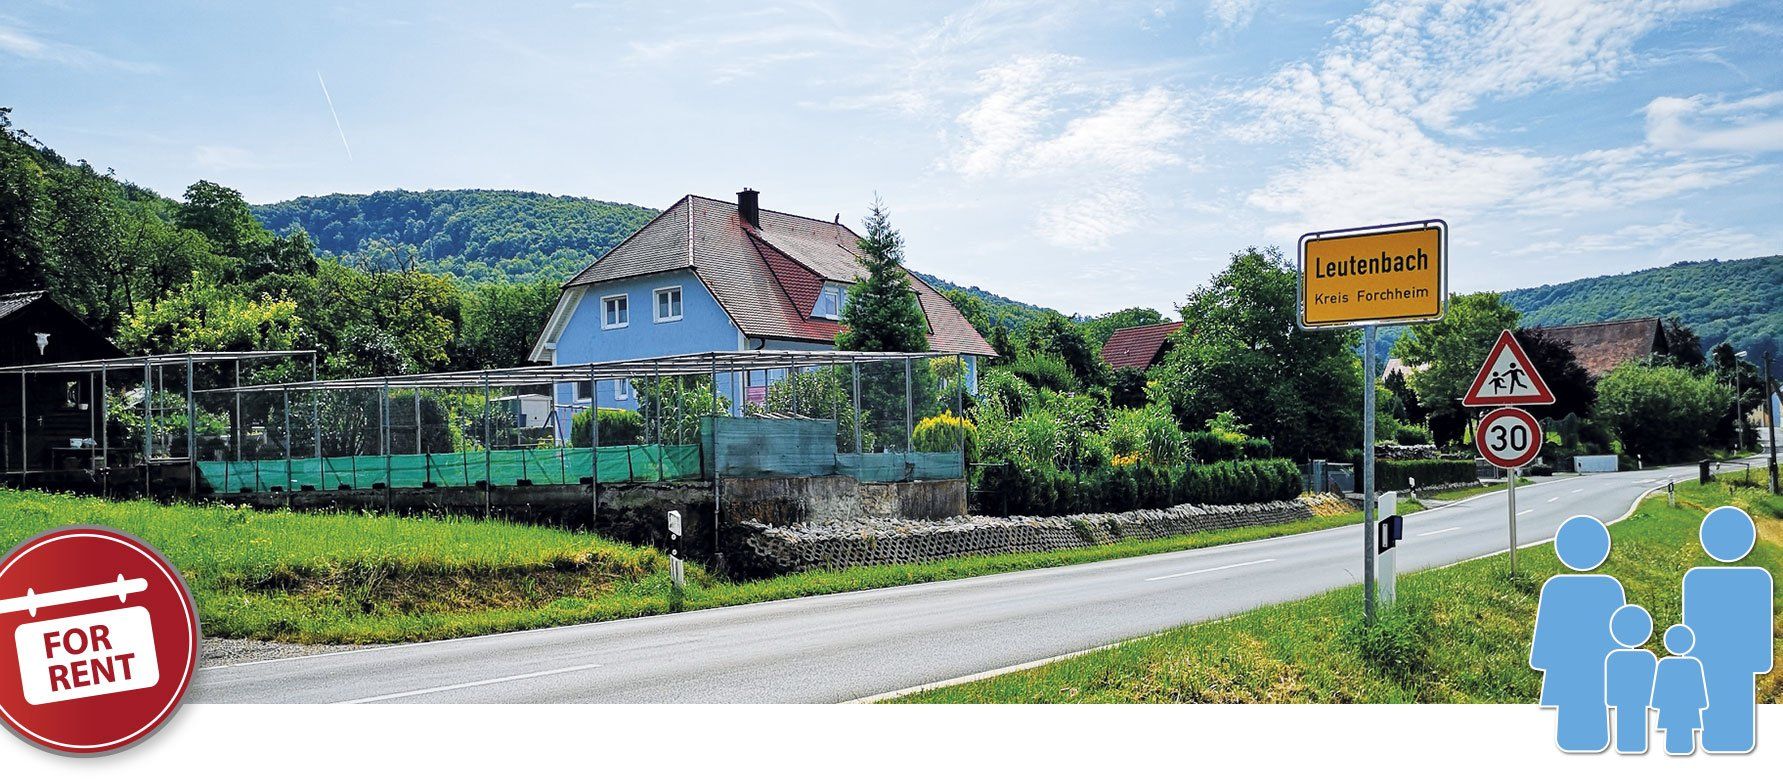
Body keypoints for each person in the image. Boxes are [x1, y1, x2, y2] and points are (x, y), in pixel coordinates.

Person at [1682, 505, 1774, 753]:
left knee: (1712, 711)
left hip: (1707, 659)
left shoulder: (1696, 580)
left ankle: (1714, 747)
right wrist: (1761, 662)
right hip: (1740, 663)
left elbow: (1692, 626)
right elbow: (1758, 629)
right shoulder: (1758, 580)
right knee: (1738, 713)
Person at [1530, 515, 1626, 752]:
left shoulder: (1555, 588)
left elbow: (1546, 633)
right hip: (1598, 664)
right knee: (1597, 709)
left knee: (1568, 713)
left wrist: (1541, 660)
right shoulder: (1611, 587)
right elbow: (1620, 635)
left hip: (1566, 666)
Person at [1605, 604, 1657, 754]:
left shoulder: (1614, 658)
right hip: (1640, 701)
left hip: (1623, 701)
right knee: (1639, 727)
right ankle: (1636, 749)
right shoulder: (1647, 658)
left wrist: (1611, 701)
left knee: (1624, 727)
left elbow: (1611, 685)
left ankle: (1627, 749)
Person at [1652, 625, 1710, 756]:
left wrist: (1656, 704)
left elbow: (1659, 689)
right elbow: (1699, 689)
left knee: (1672, 733)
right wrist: (1702, 703)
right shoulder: (1694, 664)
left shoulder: (1665, 664)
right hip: (1688, 707)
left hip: (1670, 707)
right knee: (1686, 733)